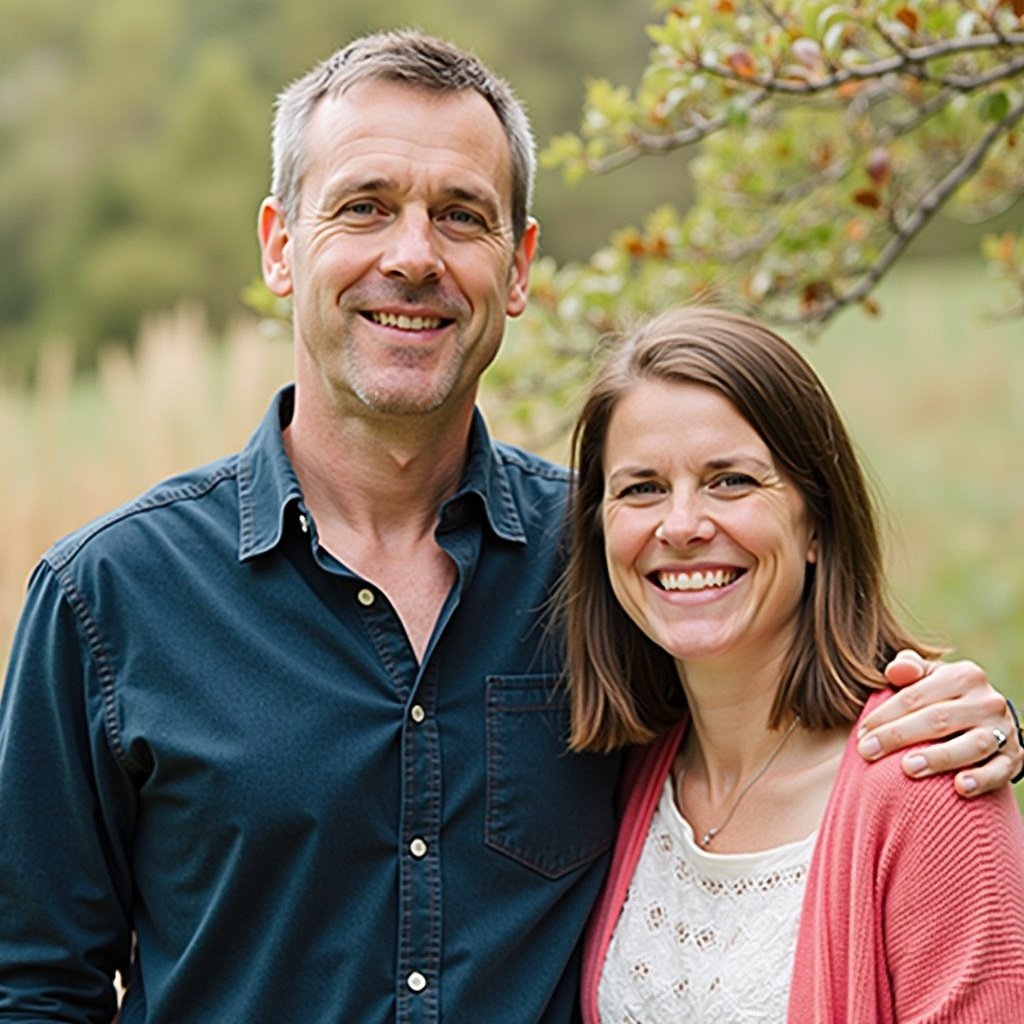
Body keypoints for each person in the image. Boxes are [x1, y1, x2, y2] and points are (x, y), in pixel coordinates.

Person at [0, 30, 1020, 1024]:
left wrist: (966, 714)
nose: (413, 256)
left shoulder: (614, 570)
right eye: (363, 207)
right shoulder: (107, 599)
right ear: (279, 245)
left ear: (519, 265)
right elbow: (35, 986)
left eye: (460, 215)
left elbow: (790, 696)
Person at [563, 306, 1024, 1022]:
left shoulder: (928, 783)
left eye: (731, 481)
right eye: (642, 488)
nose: (681, 526)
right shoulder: (630, 774)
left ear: (816, 522)